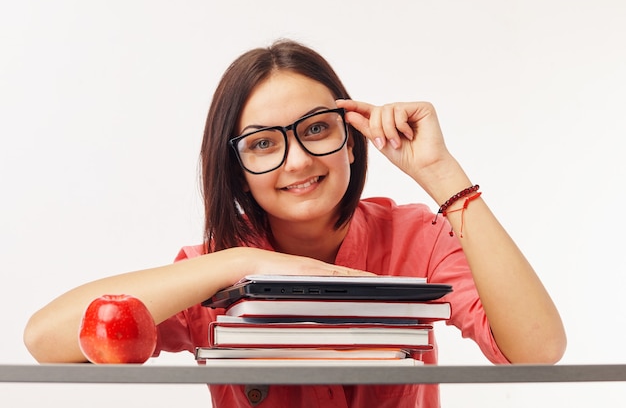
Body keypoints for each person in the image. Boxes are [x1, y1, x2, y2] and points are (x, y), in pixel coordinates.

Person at [23, 39, 566, 407]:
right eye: (263, 143)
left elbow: (538, 351)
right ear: (234, 168)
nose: (298, 161)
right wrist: (242, 262)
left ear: (350, 137)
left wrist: (443, 175)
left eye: (315, 128)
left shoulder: (415, 239)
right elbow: (48, 339)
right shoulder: (212, 270)